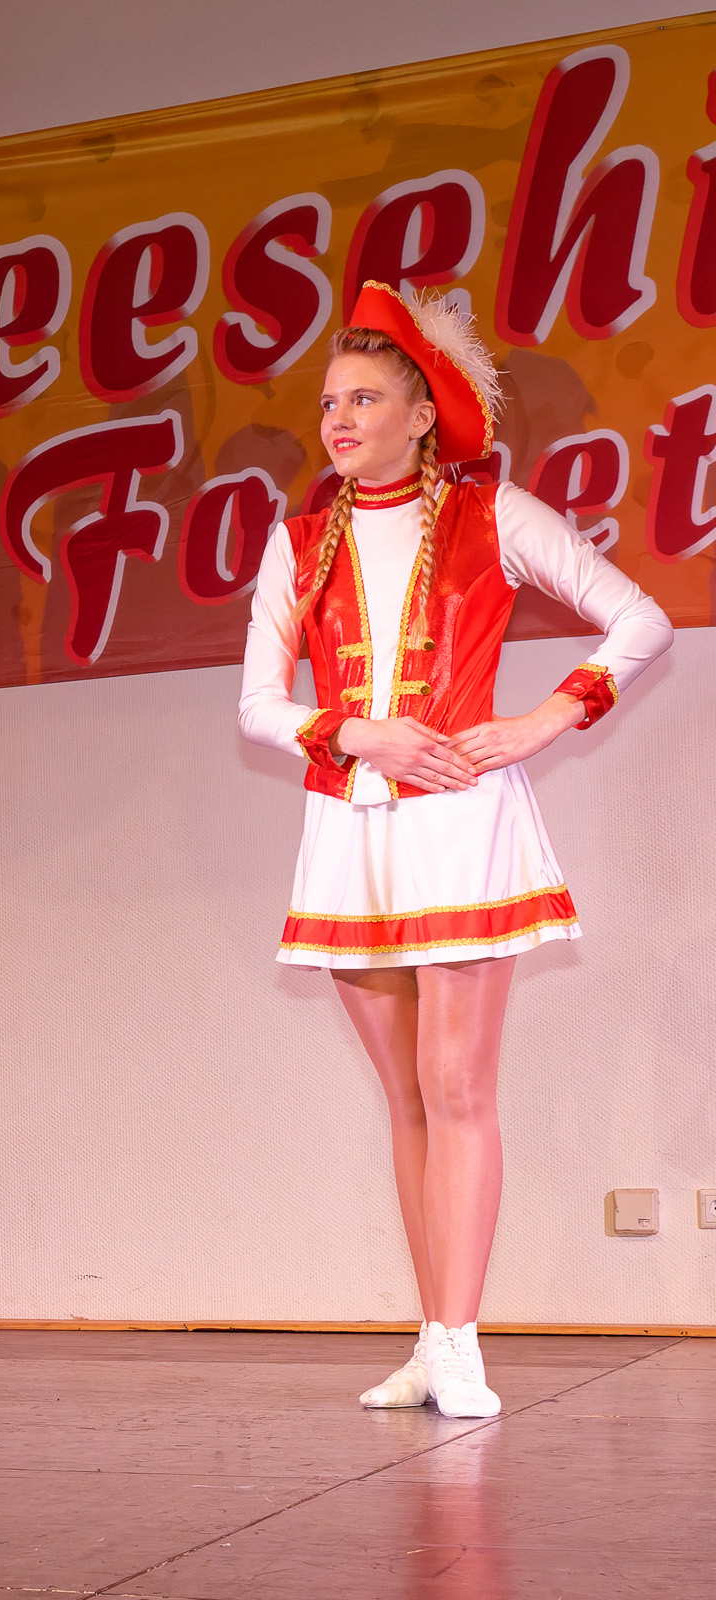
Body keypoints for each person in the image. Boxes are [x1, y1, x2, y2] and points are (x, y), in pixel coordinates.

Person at [238, 283, 671, 1419]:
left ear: (424, 413)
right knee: (407, 1100)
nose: (338, 420)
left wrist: (540, 721)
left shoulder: (495, 515)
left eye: (363, 398)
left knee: (457, 1085)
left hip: (462, 824)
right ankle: (432, 1338)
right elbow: (256, 706)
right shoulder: (297, 545)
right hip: (350, 828)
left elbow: (641, 619)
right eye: (328, 402)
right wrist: (360, 732)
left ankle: (461, 1340)